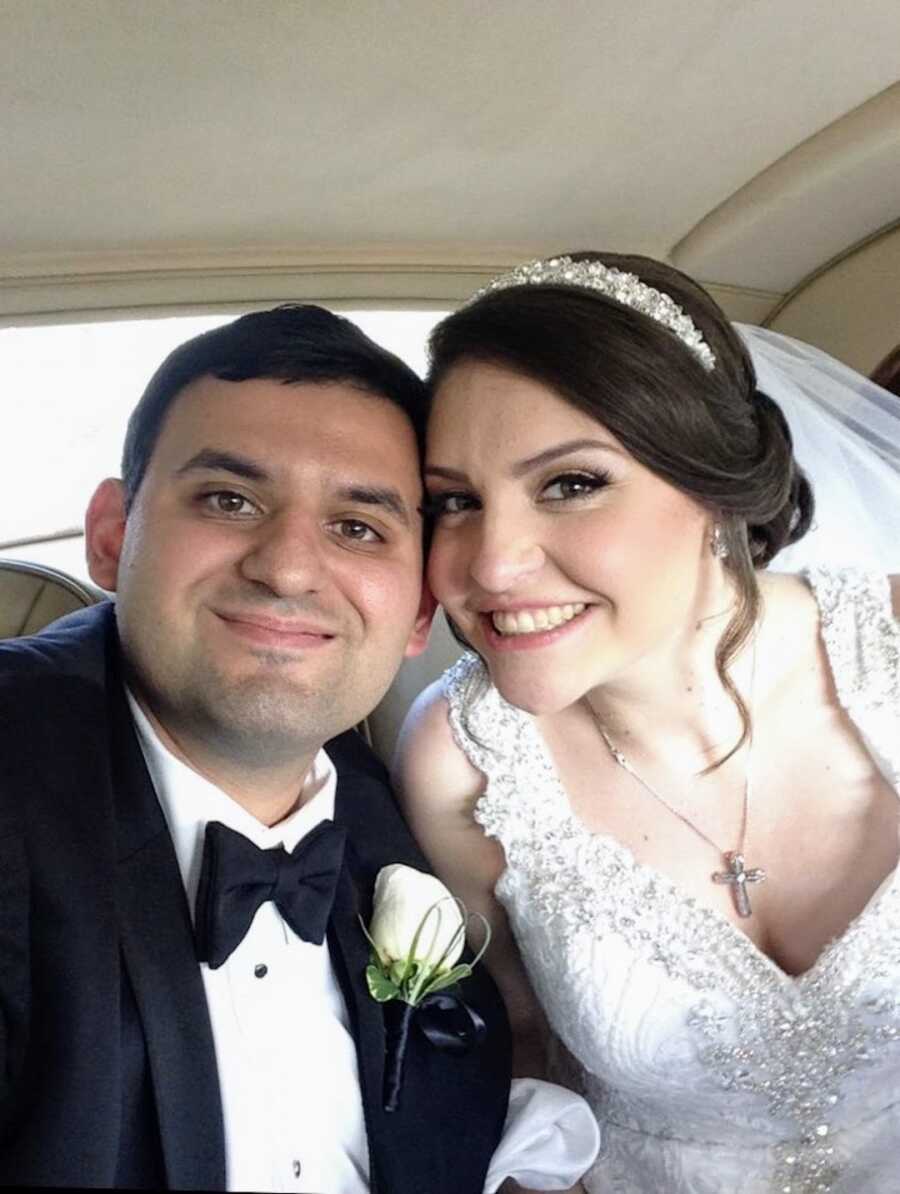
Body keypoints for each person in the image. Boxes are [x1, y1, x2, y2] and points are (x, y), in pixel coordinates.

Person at [394, 252, 900, 1193]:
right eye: (456, 502)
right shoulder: (458, 764)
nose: (492, 566)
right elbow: (521, 1053)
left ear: (714, 488)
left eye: (572, 484)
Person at [0, 304, 514, 1192]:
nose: (287, 568)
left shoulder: (409, 808)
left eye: (357, 527)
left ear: (419, 612)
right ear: (113, 535)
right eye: (229, 500)